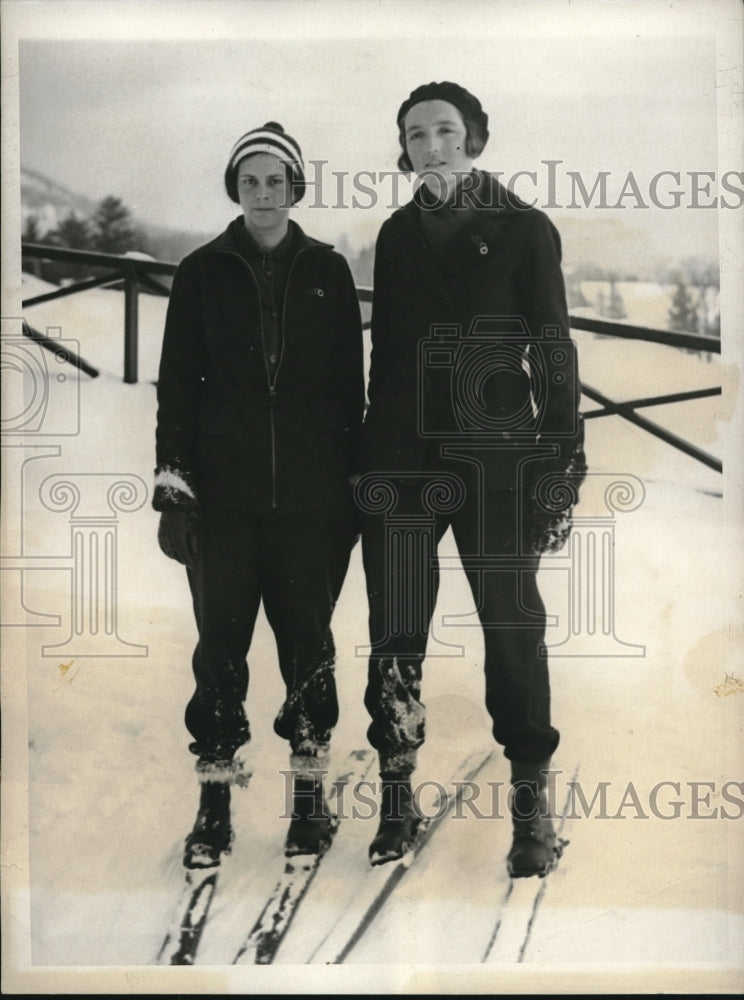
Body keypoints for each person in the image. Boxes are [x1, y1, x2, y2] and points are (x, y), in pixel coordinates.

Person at [358, 82, 586, 876]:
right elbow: (386, 355)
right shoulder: (394, 234)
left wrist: (561, 464)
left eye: (447, 131)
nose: (432, 146)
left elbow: (554, 352)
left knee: (512, 631)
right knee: (395, 631)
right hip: (401, 463)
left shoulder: (523, 228)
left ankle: (531, 813)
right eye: (416, 133)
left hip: (495, 462)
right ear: (405, 147)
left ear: (475, 139)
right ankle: (395, 798)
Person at [153, 122, 364, 868]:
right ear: (235, 190)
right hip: (224, 501)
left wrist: (352, 488)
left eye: (276, 181)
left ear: (296, 188)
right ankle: (214, 804)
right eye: (251, 182)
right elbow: (176, 384)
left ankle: (309, 803)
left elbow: (350, 390)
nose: (264, 194)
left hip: (312, 502)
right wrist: (174, 487)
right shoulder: (202, 271)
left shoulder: (327, 271)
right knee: (220, 653)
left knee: (309, 650)